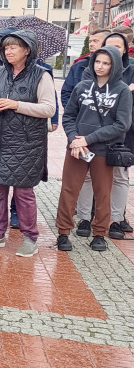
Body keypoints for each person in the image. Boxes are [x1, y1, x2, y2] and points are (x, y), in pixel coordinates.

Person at [0, 31, 56, 257]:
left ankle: (30, 237)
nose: (8, 51)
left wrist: (16, 104)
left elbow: (48, 109)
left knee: (23, 193)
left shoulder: (42, 75)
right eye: (5, 48)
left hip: (27, 143)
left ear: (27, 50)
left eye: (14, 47)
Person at [55, 45, 131, 253]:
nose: (100, 66)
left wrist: (87, 139)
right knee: (69, 190)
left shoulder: (122, 90)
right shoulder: (82, 87)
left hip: (103, 150)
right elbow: (69, 116)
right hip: (77, 148)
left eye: (106, 63)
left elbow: (121, 125)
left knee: (103, 192)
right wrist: (73, 139)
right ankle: (63, 232)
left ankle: (99, 234)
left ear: (114, 65)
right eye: (98, 61)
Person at [61, 29, 110, 110]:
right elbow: (66, 92)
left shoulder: (120, 67)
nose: (91, 44)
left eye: (95, 41)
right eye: (90, 41)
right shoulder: (79, 66)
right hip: (80, 118)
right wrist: (72, 114)